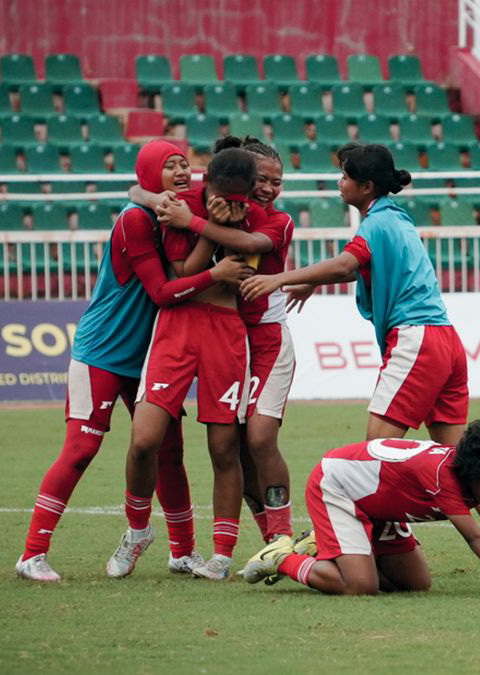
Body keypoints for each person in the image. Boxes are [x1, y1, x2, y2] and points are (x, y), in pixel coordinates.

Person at [240, 143, 480, 569]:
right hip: (446, 340)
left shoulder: (376, 223)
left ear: (365, 185)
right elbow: (358, 265)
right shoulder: (397, 218)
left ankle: (356, 543)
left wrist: (278, 279)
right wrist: (311, 283)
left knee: (374, 456)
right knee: (467, 464)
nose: (340, 183)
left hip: (416, 342)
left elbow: (344, 264)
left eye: (345, 176)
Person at [15, 141, 250, 582]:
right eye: (169, 167)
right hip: (102, 351)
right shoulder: (135, 220)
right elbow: (162, 292)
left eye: (184, 164)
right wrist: (216, 274)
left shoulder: (178, 207)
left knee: (169, 452)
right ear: (150, 175)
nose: (181, 172)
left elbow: (196, 194)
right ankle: (32, 554)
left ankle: (182, 552)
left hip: (148, 354)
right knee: (82, 448)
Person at [107, 146, 266, 581]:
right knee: (144, 439)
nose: (232, 200)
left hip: (228, 332)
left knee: (223, 448)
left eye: (241, 195)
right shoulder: (183, 204)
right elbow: (180, 274)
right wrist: (212, 228)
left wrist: (221, 227)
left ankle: (221, 554)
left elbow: (250, 255)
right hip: (176, 327)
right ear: (207, 181)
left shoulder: (258, 212)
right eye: (220, 191)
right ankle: (138, 531)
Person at [134, 136, 297, 548]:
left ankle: (283, 536)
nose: (268, 188)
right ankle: (271, 545)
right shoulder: (214, 193)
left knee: (258, 439)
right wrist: (159, 203)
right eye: (261, 179)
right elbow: (138, 190)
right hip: (230, 335)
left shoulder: (277, 220)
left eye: (276, 182)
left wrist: (192, 220)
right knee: (236, 449)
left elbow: (250, 245)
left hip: (267, 338)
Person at [239, 421, 480, 599]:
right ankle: (283, 558)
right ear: (476, 472)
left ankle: (330, 552)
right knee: (359, 586)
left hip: (380, 504)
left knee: (416, 584)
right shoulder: (444, 479)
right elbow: (477, 538)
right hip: (338, 487)